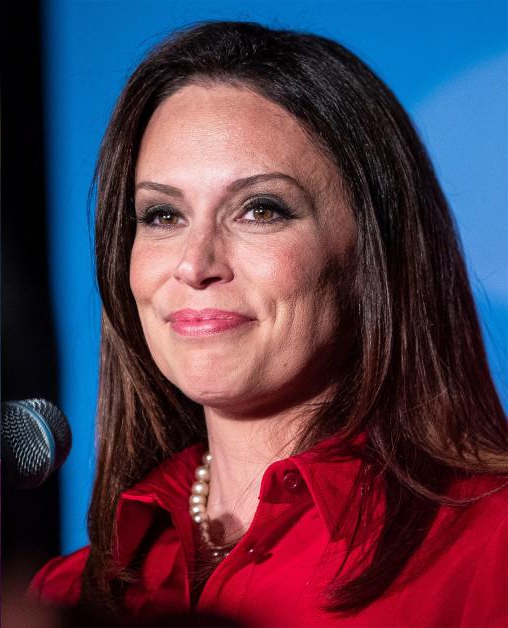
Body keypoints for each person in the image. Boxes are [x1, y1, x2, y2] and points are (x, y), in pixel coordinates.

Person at [30, 21, 508, 626]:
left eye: (261, 209)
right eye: (162, 215)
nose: (195, 265)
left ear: (373, 252)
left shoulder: (492, 547)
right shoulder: (66, 594)